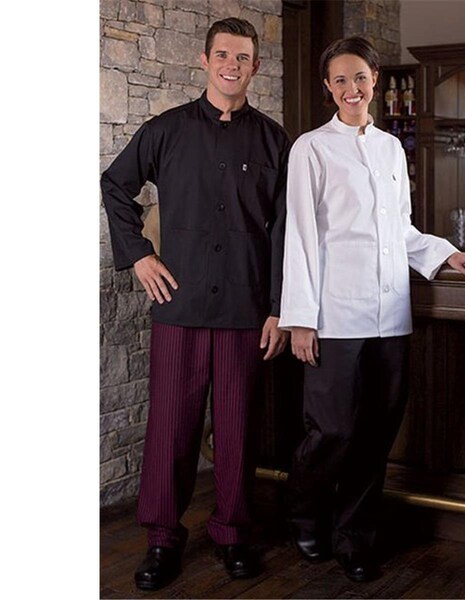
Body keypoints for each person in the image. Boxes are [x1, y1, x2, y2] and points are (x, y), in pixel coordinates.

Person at [278, 36, 465, 583]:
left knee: (375, 435)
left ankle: (354, 537)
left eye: (360, 77)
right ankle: (304, 512)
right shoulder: (310, 149)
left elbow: (400, 230)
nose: (352, 88)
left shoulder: (392, 149)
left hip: (390, 316)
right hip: (334, 316)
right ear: (328, 88)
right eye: (340, 80)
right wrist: (300, 318)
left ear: (375, 79)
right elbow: (300, 236)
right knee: (331, 431)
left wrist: (447, 253)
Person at [101, 18, 291, 591]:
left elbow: (288, 232)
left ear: (255, 67)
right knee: (171, 429)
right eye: (223, 55)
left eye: (243, 57)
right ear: (205, 61)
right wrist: (139, 255)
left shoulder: (275, 142)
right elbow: (115, 185)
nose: (233, 65)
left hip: (247, 310)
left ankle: (233, 533)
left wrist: (279, 307)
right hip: (179, 306)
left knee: (238, 431)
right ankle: (162, 538)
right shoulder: (165, 131)